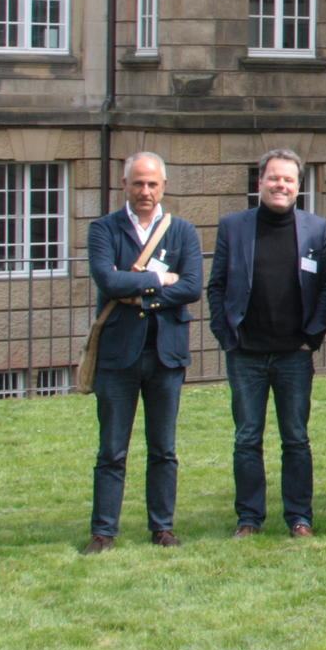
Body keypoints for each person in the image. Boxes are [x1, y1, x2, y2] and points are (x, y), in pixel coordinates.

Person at [206, 148, 326, 539]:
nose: (281, 185)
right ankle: (249, 518)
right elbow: (217, 287)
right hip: (247, 353)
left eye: (289, 179)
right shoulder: (233, 227)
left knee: (296, 438)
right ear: (259, 182)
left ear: (299, 186)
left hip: (294, 354)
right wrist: (228, 338)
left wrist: (313, 336)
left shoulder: (316, 228)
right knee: (247, 438)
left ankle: (299, 517)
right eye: (274, 178)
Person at [82, 151, 204, 554]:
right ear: (125, 185)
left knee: (164, 448)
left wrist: (145, 297)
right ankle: (103, 532)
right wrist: (157, 279)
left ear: (163, 187)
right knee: (112, 450)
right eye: (138, 183)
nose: (145, 191)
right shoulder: (104, 229)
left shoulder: (183, 231)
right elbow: (108, 280)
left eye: (152, 184)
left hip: (166, 354)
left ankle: (162, 527)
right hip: (118, 354)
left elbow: (190, 287)